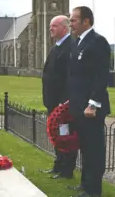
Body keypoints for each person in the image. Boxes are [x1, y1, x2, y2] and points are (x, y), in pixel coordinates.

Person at [68, 6, 111, 197]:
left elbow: (100, 77)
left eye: (73, 20)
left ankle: (94, 191)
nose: (71, 24)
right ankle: (85, 185)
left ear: (86, 21)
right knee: (84, 147)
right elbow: (77, 77)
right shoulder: (78, 43)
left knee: (94, 151)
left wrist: (92, 104)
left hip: (90, 109)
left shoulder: (98, 42)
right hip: (79, 106)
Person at [40, 15, 77, 179]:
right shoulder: (57, 46)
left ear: (64, 27)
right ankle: (58, 165)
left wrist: (64, 102)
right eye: (50, 26)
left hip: (62, 104)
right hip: (52, 102)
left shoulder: (69, 47)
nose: (50, 29)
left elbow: (70, 77)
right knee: (56, 134)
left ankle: (66, 170)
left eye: (54, 26)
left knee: (65, 136)